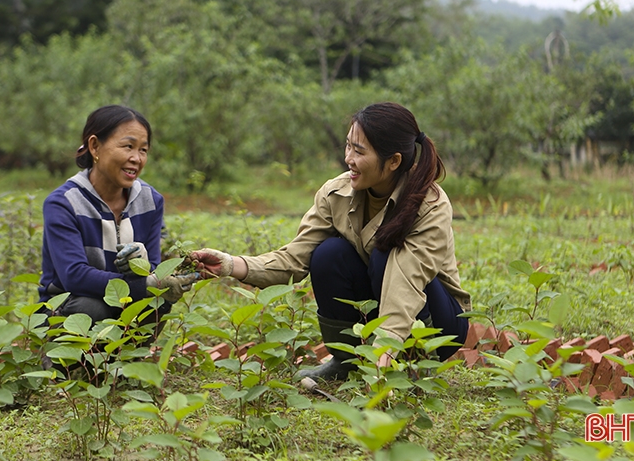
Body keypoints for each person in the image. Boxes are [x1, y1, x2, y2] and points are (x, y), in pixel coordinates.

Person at [192, 102, 471, 381]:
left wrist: (386, 343)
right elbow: (294, 258)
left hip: (439, 321)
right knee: (328, 254)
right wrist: (230, 264)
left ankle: (413, 361)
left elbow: (406, 280)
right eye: (348, 146)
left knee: (386, 254)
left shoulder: (430, 205)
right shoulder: (336, 193)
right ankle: (347, 360)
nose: (348, 158)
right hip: (383, 298)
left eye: (359, 151)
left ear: (394, 161)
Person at [38, 105, 199, 338]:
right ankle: (69, 367)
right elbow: (73, 276)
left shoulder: (150, 201)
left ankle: (123, 367)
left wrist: (148, 270)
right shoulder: (64, 203)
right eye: (128, 146)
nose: (136, 158)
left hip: (125, 301)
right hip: (69, 305)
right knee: (91, 308)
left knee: (159, 300)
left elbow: (153, 265)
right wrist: (145, 284)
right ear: (95, 146)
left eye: (143, 150)